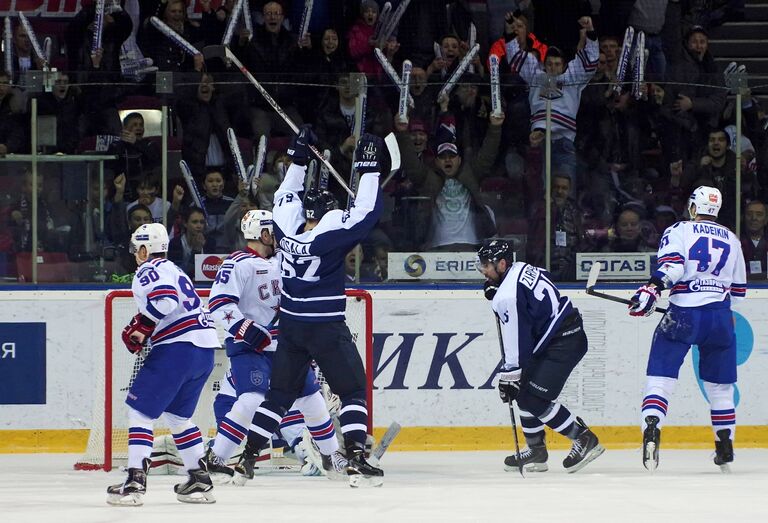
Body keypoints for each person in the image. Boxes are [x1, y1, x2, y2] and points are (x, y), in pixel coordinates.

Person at [238, 126, 385, 487]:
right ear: (330, 212)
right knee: (351, 391)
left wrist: (299, 155)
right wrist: (369, 169)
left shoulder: (286, 228)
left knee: (279, 396)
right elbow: (366, 211)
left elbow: (287, 191)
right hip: (325, 328)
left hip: (291, 328)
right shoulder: (333, 233)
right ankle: (355, 459)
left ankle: (246, 459)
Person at [204, 209, 347, 483]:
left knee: (312, 400)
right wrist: (244, 329)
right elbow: (219, 304)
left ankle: (331, 457)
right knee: (251, 400)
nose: (282, 236)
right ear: (265, 234)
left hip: (287, 346)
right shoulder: (237, 264)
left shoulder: (285, 260)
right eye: (276, 231)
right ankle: (217, 458)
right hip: (251, 348)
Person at [628, 186, 747, 472]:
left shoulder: (680, 229)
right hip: (720, 317)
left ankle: (653, 429)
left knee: (661, 377)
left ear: (694, 207)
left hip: (683, 315)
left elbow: (673, 266)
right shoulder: (732, 238)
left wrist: (652, 289)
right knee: (720, 387)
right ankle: (724, 445)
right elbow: (739, 290)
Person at [107, 223, 218, 506]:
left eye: (136, 249)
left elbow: (166, 301)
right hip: (204, 350)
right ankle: (199, 480)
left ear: (145, 249)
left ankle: (134, 483)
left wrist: (143, 325)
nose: (135, 255)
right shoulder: (175, 269)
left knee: (139, 412)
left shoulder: (147, 270)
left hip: (177, 350)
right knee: (178, 418)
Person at [478, 239, 604, 473]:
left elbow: (516, 337)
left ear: (502, 264)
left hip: (563, 342)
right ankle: (536, 450)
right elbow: (537, 284)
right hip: (561, 334)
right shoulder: (523, 268)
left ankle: (584, 438)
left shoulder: (507, 296)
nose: (483, 271)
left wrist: (510, 375)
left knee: (533, 398)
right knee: (524, 390)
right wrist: (495, 286)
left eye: (486, 265)